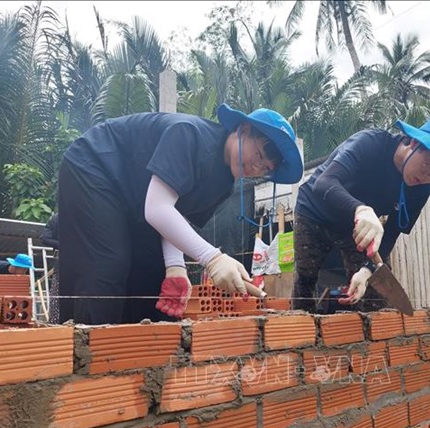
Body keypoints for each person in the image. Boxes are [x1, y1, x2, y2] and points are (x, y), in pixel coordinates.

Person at [58, 103, 303, 325]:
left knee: (153, 277)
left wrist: (175, 268)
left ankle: (134, 360)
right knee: (107, 264)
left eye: (265, 168)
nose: (256, 167)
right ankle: (83, 356)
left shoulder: (224, 183)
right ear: (244, 129)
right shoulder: (190, 135)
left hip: (135, 200)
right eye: (259, 155)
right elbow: (157, 208)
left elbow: (175, 213)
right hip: (95, 166)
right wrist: (213, 258)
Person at [292, 114, 430, 313]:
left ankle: (375, 339)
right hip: (315, 210)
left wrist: (367, 270)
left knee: (373, 287)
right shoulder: (371, 143)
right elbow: (324, 183)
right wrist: (361, 209)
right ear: (414, 142)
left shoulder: (422, 188)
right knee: (307, 276)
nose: (428, 177)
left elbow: (392, 233)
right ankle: (300, 335)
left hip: (356, 228)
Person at [40, 213, 60, 323]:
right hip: (68, 261)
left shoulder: (56, 217)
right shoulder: (57, 218)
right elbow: (45, 238)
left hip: (64, 261)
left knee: (57, 296)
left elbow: (45, 238)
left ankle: (55, 323)